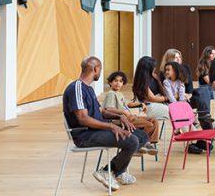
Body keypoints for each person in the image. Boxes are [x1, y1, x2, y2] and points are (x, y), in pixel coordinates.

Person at [63, 57, 149, 191]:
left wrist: (119, 116)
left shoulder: (89, 89)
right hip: (85, 135)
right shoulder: (76, 88)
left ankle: (117, 171)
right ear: (95, 69)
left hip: (97, 130)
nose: (100, 72)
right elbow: (83, 118)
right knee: (132, 141)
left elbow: (101, 111)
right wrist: (111, 126)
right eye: (100, 69)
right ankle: (109, 171)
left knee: (142, 136)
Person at [102, 71, 160, 150]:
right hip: (122, 120)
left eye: (120, 81)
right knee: (149, 124)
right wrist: (123, 112)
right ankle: (142, 144)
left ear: (123, 83)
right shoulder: (111, 94)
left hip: (131, 117)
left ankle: (149, 142)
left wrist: (140, 104)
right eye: (115, 81)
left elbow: (127, 104)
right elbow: (108, 109)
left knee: (154, 121)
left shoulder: (119, 94)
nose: (118, 83)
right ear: (110, 82)